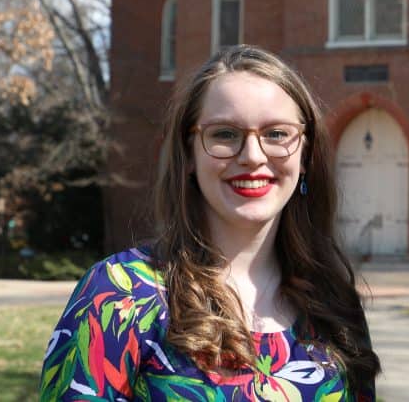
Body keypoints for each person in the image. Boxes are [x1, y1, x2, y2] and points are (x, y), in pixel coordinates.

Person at [40, 46, 379, 401]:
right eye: (224, 134)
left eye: (277, 134)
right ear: (188, 154)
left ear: (306, 154)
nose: (252, 156)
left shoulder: (333, 303)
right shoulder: (119, 295)